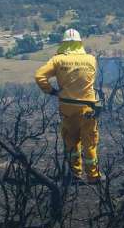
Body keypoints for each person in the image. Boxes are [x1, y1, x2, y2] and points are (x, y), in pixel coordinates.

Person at [34, 28, 103, 183]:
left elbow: (39, 76)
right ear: (79, 43)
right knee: (89, 142)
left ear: (63, 44)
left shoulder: (58, 60)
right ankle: (93, 176)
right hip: (88, 107)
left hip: (67, 106)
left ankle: (75, 174)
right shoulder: (91, 59)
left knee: (70, 140)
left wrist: (51, 91)